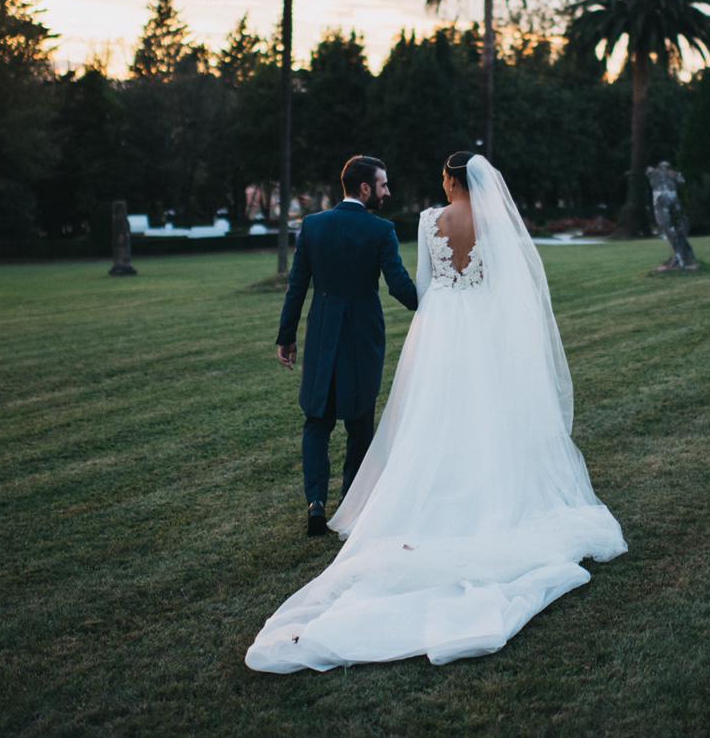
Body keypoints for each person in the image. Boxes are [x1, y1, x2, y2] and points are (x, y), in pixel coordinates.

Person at [249, 151, 626, 672]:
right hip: (475, 326)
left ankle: (365, 498)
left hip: (440, 327)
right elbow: (501, 287)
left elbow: (424, 284)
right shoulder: (487, 222)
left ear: (451, 180)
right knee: (484, 416)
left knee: (422, 418)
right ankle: (480, 490)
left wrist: (436, 311)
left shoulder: (426, 221)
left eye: (443, 180)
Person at [275, 155, 419, 536]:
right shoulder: (381, 231)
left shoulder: (313, 225)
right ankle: (352, 508)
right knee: (359, 423)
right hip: (362, 335)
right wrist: (438, 303)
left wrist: (285, 337)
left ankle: (316, 506)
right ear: (366, 187)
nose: (388, 192)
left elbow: (297, 286)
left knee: (316, 421)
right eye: (384, 185)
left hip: (322, 331)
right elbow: (399, 285)